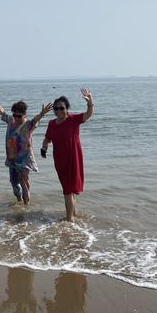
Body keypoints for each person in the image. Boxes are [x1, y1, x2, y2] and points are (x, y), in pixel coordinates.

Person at [0, 98, 54, 205]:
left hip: (24, 160)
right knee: (14, 183)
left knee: (24, 182)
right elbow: (2, 112)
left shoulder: (29, 125)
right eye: (15, 115)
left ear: (25, 115)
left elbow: (36, 119)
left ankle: (26, 206)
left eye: (19, 116)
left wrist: (42, 113)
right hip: (12, 158)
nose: (16, 118)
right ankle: (19, 201)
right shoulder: (11, 121)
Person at [41, 88, 94, 222]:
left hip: (73, 158)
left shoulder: (73, 119)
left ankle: (69, 221)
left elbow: (88, 115)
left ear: (67, 108)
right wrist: (44, 147)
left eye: (61, 108)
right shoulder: (51, 123)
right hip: (59, 160)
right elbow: (47, 138)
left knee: (68, 190)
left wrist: (90, 103)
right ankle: (74, 214)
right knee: (69, 189)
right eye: (56, 108)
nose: (58, 111)